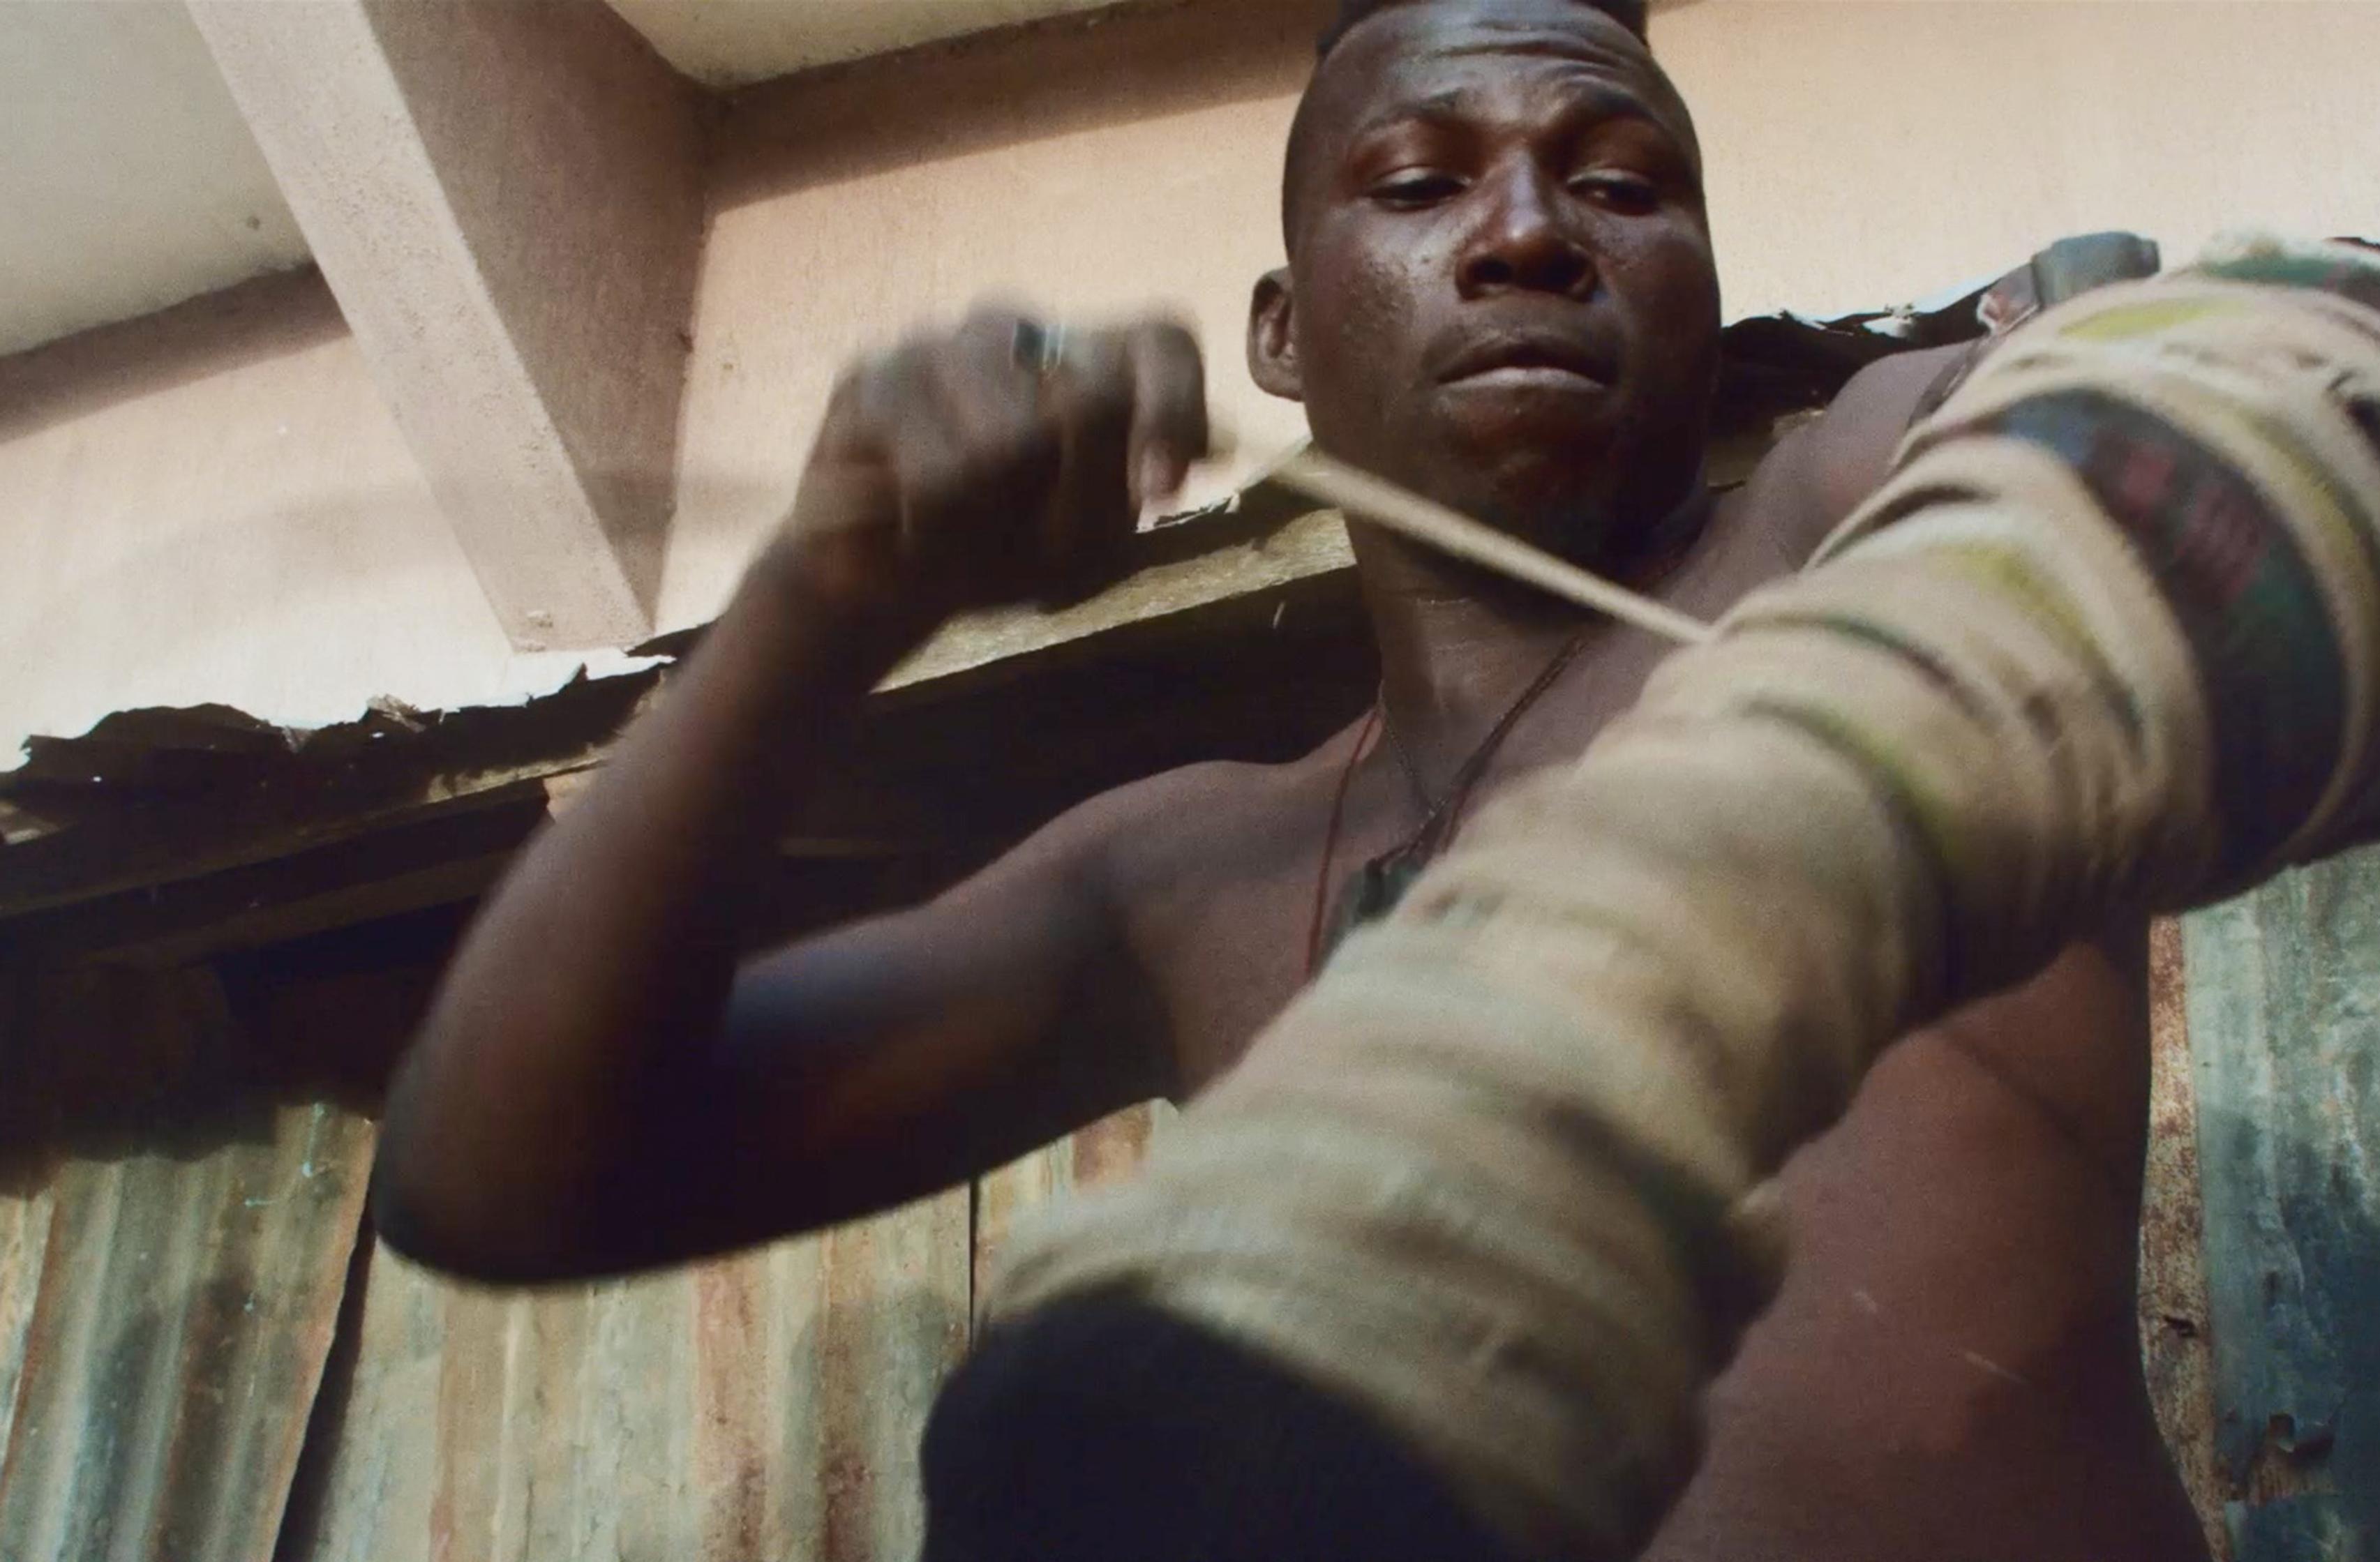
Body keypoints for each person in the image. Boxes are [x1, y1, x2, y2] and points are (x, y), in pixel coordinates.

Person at [377, 1, 2212, 1556]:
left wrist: (2122, 388)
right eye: (1419, 185)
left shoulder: (1865, 530)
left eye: (1620, 185)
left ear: (1709, 291)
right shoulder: (1195, 883)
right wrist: (823, 604)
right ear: (1280, 332)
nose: (1526, 233)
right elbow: (499, 1183)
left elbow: (2156, 430)